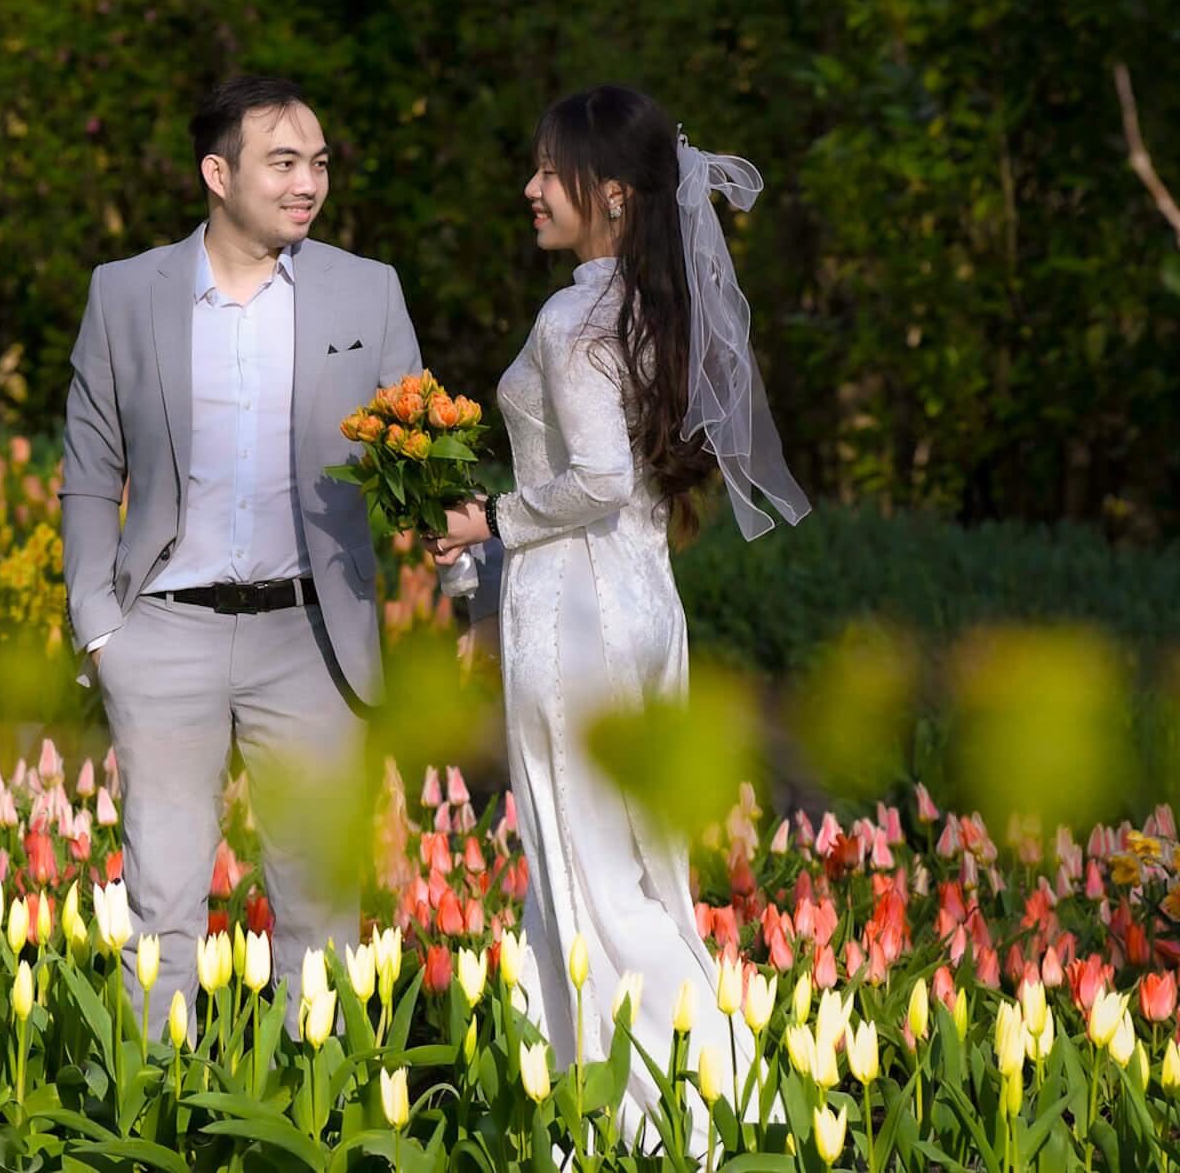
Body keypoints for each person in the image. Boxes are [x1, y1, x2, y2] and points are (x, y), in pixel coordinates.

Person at [426, 84, 809, 1140]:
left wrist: (483, 519)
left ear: (609, 195)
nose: (529, 188)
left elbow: (595, 477)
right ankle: (622, 1117)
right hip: (639, 606)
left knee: (589, 877)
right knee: (627, 869)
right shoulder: (646, 311)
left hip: (575, 617)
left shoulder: (572, 317)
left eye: (548, 171)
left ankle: (723, 1115)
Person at [60, 75, 421, 1023]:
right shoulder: (125, 292)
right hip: (161, 632)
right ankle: (155, 1101)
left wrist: (466, 553)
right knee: (161, 910)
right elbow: (90, 470)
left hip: (311, 640)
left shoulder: (368, 291)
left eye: (320, 164)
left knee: (320, 912)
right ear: (217, 174)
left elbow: (417, 453)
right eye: (284, 162)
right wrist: (100, 627)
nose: (309, 183)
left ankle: (315, 1101)